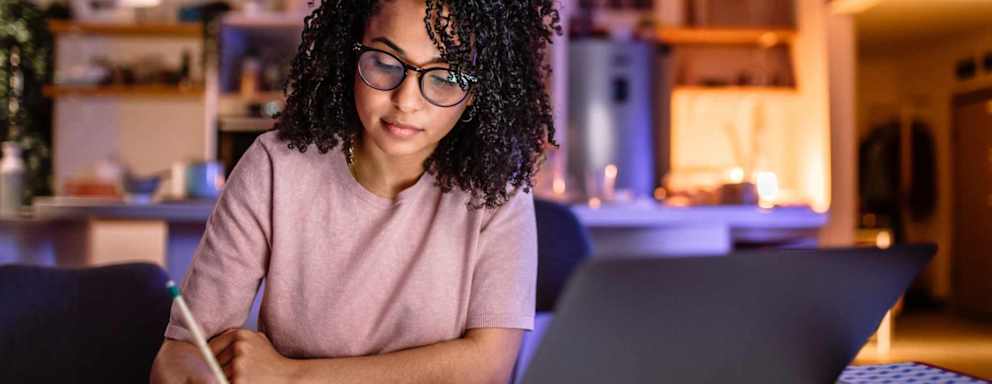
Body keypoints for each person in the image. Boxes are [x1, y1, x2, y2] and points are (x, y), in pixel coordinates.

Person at [150, 0, 560, 382]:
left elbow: (487, 366)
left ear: (477, 93)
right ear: (349, 54)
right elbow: (182, 352)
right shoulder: (276, 167)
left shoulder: (498, 193)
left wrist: (290, 377)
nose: (405, 101)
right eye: (384, 62)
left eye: (446, 77)